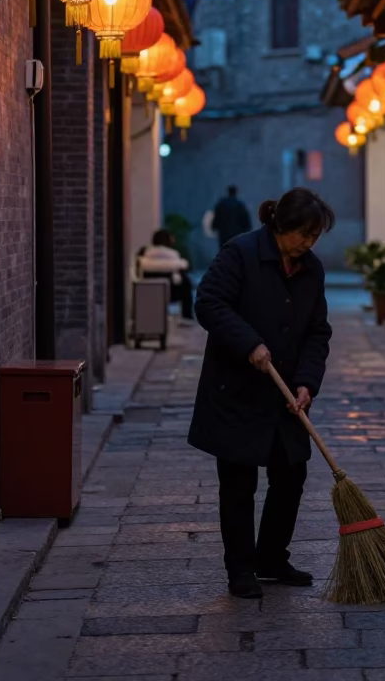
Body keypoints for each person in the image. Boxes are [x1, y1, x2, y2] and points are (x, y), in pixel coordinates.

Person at [189, 187, 335, 598]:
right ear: (280, 226)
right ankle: (240, 568)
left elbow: (317, 331)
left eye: (315, 236)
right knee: (238, 482)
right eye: (303, 234)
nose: (308, 243)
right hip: (237, 390)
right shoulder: (240, 253)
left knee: (291, 474)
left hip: (285, 393)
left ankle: (271, 557)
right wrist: (249, 342)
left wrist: (307, 382)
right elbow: (209, 303)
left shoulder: (312, 269)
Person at [137, 229, 194, 325]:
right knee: (186, 282)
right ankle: (187, 316)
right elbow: (183, 268)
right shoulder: (173, 255)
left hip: (148, 290)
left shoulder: (145, 253)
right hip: (172, 291)